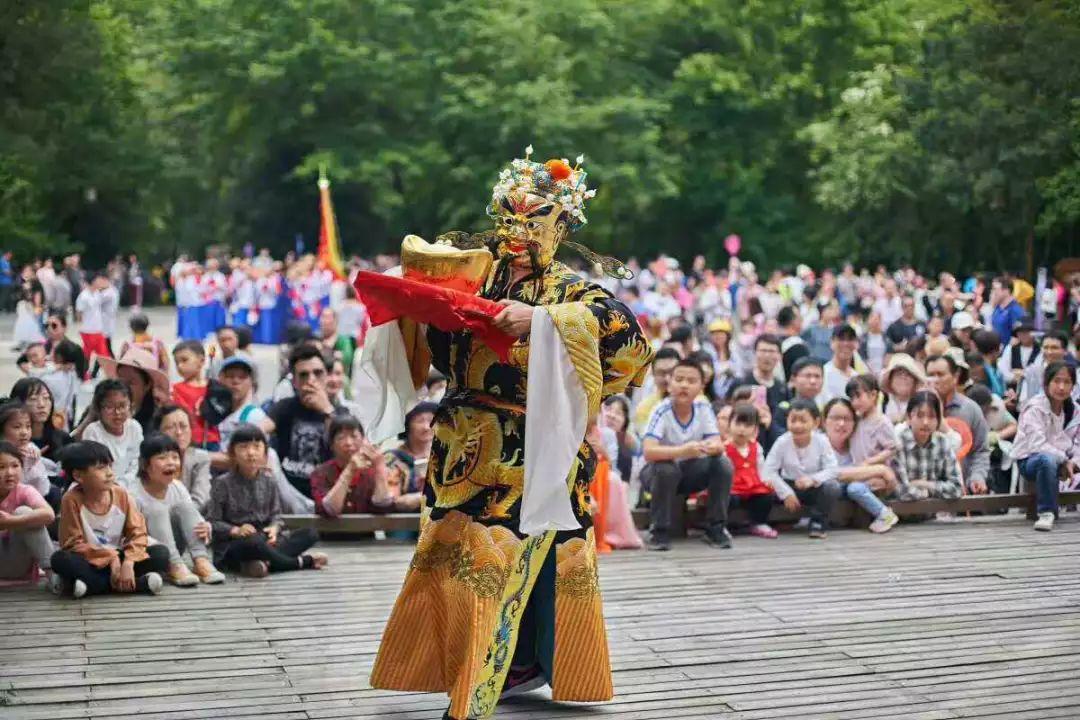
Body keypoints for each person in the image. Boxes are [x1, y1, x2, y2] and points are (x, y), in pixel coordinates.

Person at [368, 151, 652, 719]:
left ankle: (475, 693)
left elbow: (631, 346)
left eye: (534, 220)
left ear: (561, 226)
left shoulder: (570, 292)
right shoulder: (472, 273)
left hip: (532, 447)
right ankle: (500, 666)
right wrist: (414, 294)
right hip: (460, 443)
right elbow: (428, 336)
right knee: (447, 556)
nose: (518, 233)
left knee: (493, 561)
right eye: (508, 217)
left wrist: (542, 322)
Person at [49, 441, 169, 598]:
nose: (109, 473)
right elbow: (72, 544)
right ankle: (137, 584)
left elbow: (138, 533)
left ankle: (90, 585)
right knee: (60, 559)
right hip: (91, 559)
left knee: (160, 554)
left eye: (110, 466)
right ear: (78, 476)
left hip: (120, 554)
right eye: (101, 468)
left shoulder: (121, 495)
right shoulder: (71, 499)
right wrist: (110, 557)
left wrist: (129, 562)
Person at [205, 424, 326, 577]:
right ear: (232, 453)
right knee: (253, 542)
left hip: (264, 539)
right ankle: (299, 562)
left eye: (257, 447)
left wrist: (274, 528)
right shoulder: (222, 483)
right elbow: (213, 521)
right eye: (243, 447)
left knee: (311, 533)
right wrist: (236, 530)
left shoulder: (269, 481)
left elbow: (276, 516)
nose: (251, 453)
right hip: (236, 544)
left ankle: (261, 564)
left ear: (265, 453)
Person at [641, 359, 733, 551]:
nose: (684, 385)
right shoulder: (661, 410)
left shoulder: (703, 408)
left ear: (701, 386)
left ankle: (715, 529)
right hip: (656, 473)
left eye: (691, 381)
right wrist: (683, 451)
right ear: (669, 383)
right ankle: (658, 532)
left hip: (690, 471)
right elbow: (649, 451)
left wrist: (711, 447)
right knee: (666, 469)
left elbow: (717, 443)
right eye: (679, 379)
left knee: (722, 464)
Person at [133, 433, 225, 586]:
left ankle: (201, 561)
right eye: (162, 458)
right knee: (157, 509)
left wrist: (205, 527)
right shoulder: (132, 493)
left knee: (186, 507)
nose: (171, 463)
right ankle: (174, 565)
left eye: (175, 457)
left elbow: (192, 517)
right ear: (144, 465)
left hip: (175, 545)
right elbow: (130, 534)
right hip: (151, 552)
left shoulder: (177, 487)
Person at [259, 344, 348, 498]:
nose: (311, 380)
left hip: (327, 494)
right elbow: (257, 431)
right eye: (304, 375)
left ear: (326, 376)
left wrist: (326, 409)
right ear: (294, 382)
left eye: (318, 373)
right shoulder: (284, 407)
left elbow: (348, 445)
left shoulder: (340, 413)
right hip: (288, 494)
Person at [1011, 362, 1077, 532]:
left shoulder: (1075, 410)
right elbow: (1037, 445)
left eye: (1067, 382)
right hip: (1031, 460)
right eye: (1057, 381)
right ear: (1046, 383)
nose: (1061, 387)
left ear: (1073, 386)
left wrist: (1074, 461)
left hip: (1064, 459)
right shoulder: (1034, 408)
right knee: (1046, 460)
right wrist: (1064, 460)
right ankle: (1047, 512)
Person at [762, 399, 842, 539]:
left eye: (803, 421)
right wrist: (785, 492)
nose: (797, 426)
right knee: (764, 490)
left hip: (813, 488)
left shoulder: (821, 440)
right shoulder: (782, 442)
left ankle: (818, 522)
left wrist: (812, 479)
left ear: (816, 422)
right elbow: (768, 471)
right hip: (788, 485)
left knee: (832, 487)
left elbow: (833, 469)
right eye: (793, 420)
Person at [823, 397, 899, 533]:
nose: (841, 423)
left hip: (854, 518)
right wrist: (880, 470)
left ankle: (884, 515)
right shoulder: (818, 443)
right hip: (824, 510)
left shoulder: (859, 445)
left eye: (847, 419)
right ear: (824, 421)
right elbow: (833, 474)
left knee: (856, 487)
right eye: (835, 418)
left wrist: (877, 476)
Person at [724, 403, 799, 539]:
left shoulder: (756, 447)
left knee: (765, 495)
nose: (742, 429)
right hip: (733, 485)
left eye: (747, 425)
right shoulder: (724, 448)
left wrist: (767, 481)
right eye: (738, 424)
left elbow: (762, 468)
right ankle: (723, 525)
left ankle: (759, 522)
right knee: (728, 498)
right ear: (729, 425)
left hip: (752, 485)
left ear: (755, 430)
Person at [925, 354, 990, 495]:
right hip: (925, 490)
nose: (935, 380)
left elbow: (981, 450)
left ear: (955, 376)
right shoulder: (918, 411)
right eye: (930, 375)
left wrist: (977, 477)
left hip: (962, 490)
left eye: (940, 374)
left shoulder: (970, 409)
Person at [309, 416, 395, 517]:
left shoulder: (370, 472)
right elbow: (329, 510)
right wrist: (349, 470)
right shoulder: (320, 473)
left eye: (354, 436)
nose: (348, 443)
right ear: (331, 445)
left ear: (363, 440)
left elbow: (383, 507)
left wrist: (380, 469)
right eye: (341, 438)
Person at [0, 441, 55, 585]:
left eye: (15, 466)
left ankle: (53, 574)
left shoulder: (24, 491)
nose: (10, 473)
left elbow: (49, 515)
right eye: (1, 467)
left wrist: (10, 521)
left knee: (24, 512)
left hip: (18, 562)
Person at [893, 391, 963, 501]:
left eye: (932, 417)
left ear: (939, 420)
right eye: (920, 416)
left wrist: (925, 485)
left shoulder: (943, 443)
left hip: (937, 510)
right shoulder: (898, 443)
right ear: (909, 418)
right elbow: (901, 490)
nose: (925, 422)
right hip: (902, 511)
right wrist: (929, 493)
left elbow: (957, 488)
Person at [80, 380, 143, 489]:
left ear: (130, 405)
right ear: (99, 409)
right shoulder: (93, 432)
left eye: (122, 406)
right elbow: (95, 470)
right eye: (109, 407)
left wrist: (124, 485)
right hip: (102, 487)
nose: (117, 413)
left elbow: (136, 464)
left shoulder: (134, 427)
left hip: (131, 486)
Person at [152, 405, 213, 513]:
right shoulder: (151, 459)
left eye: (183, 426)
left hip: (191, 517)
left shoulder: (200, 458)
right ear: (158, 433)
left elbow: (200, 501)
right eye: (170, 427)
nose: (179, 432)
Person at [96, 345, 171, 433]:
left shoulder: (159, 420)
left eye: (130, 382)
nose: (123, 386)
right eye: (120, 381)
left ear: (147, 385)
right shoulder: (102, 410)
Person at [383, 402, 437, 512]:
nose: (426, 427)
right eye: (420, 421)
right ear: (407, 425)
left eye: (431, 420)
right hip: (405, 520)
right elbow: (393, 501)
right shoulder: (392, 459)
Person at [171, 340, 221, 450]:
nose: (179, 366)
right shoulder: (176, 389)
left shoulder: (214, 387)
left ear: (201, 360)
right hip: (189, 442)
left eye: (184, 360)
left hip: (213, 440)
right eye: (176, 362)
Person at [10, 377, 72, 464]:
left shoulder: (62, 438)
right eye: (33, 399)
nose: (41, 405)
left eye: (46, 398)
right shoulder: (9, 441)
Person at [214, 354, 267, 450]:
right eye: (230, 376)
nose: (235, 381)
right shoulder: (213, 412)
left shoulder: (255, 416)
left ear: (251, 382)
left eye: (242, 377)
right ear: (220, 380)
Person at [729, 334, 789, 415]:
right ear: (754, 353)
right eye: (763, 351)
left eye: (772, 351)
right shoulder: (740, 383)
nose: (767, 356)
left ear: (780, 356)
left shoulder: (783, 389)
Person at [75, 273, 118, 376]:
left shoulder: (97, 293)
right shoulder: (83, 296)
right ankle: (83, 374)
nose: (100, 282)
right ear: (93, 282)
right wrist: (81, 326)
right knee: (87, 355)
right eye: (98, 280)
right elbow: (79, 313)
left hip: (98, 330)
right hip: (88, 331)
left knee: (104, 355)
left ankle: (111, 375)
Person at [633, 347, 679, 431]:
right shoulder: (644, 408)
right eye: (661, 373)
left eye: (672, 371)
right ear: (653, 375)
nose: (667, 378)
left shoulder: (697, 401)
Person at [600, 394, 638, 485]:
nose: (612, 416)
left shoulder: (625, 455)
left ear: (625, 423)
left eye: (618, 413)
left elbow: (624, 486)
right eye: (608, 409)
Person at [880, 354, 926, 424]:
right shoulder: (881, 402)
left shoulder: (923, 402)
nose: (903, 377)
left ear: (915, 381)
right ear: (890, 380)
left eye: (908, 374)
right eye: (898, 374)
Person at [822, 324, 861, 401]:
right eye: (841, 339)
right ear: (832, 342)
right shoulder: (824, 374)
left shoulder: (857, 377)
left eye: (850, 339)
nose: (846, 343)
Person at [316, 307, 357, 378]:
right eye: (322, 316)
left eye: (327, 317)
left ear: (335, 321)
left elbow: (347, 358)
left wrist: (326, 352)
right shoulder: (317, 339)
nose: (323, 321)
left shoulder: (343, 341)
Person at [989, 276, 1026, 346]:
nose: (993, 292)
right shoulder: (997, 308)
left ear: (1006, 290)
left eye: (995, 289)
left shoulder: (1016, 310)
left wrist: (1006, 350)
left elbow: (1018, 338)